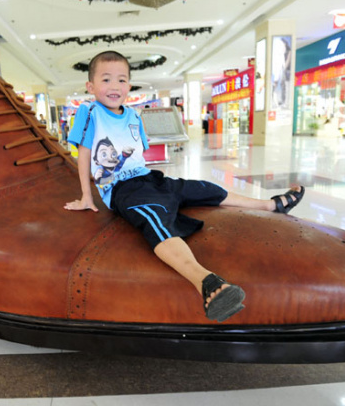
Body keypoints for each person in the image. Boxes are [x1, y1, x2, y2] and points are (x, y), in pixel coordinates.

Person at [64, 51, 304, 322]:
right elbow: (84, 154)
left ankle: (270, 204)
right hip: (122, 189)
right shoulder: (90, 112)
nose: (114, 86)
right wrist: (87, 195)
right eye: (106, 79)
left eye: (121, 80)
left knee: (203, 188)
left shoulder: (132, 115)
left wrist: (161, 185)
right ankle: (207, 283)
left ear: (129, 86)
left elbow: (137, 154)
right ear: (90, 86)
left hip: (149, 178)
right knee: (155, 221)